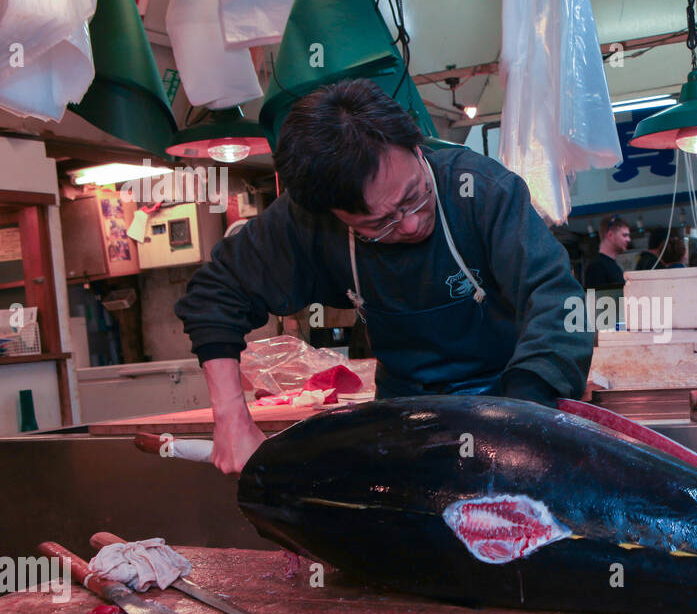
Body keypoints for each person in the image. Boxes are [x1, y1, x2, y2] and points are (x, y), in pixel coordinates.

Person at [175, 79, 592, 474]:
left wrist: (528, 410)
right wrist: (230, 416)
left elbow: (560, 303)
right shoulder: (308, 219)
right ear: (335, 216)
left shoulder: (481, 191)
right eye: (380, 224)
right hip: (402, 418)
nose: (409, 225)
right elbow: (215, 293)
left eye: (414, 197)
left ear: (415, 146)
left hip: (511, 400)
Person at [583, 215, 629, 289]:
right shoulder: (597, 266)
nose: (628, 239)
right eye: (624, 235)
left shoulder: (612, 265)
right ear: (610, 235)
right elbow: (595, 298)